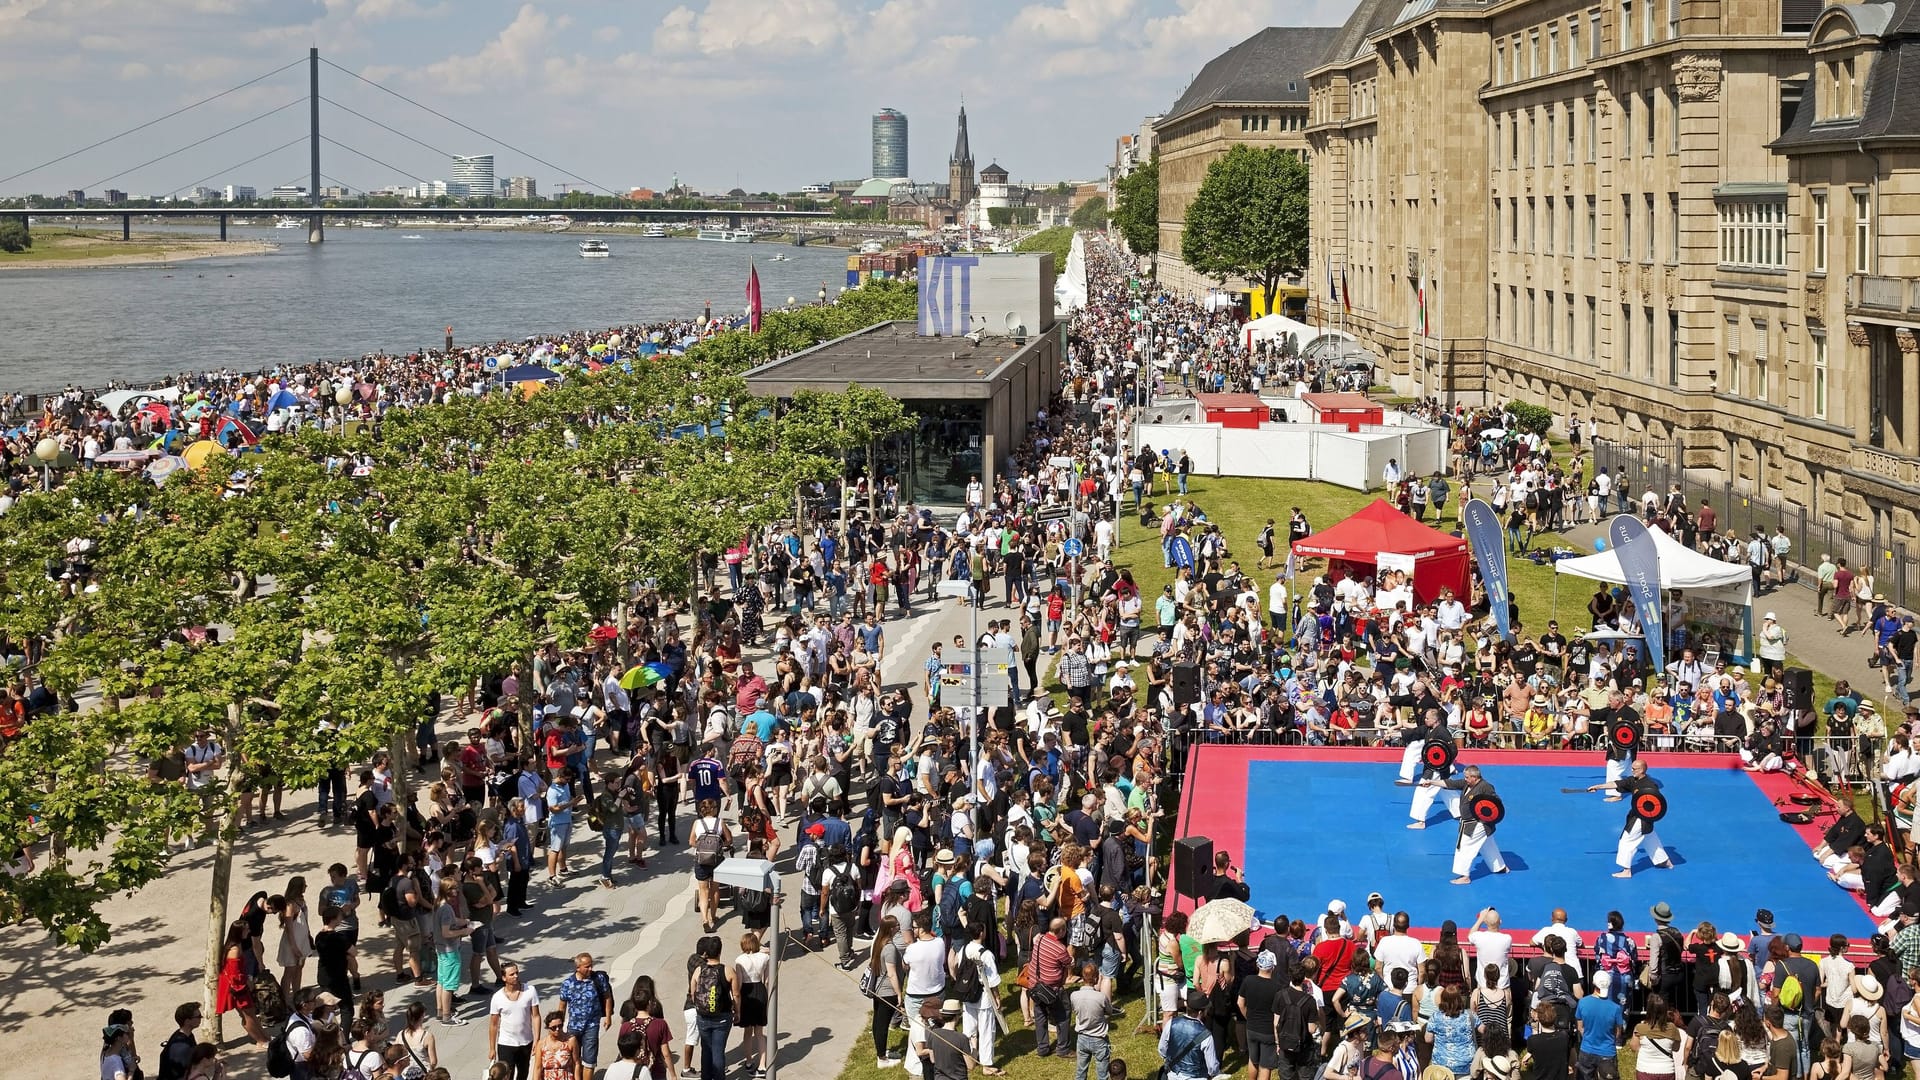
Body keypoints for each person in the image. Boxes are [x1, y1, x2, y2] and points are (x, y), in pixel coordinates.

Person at [1586, 759, 1672, 878]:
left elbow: (1656, 804)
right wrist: (1598, 786)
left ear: (1642, 770)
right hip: (1640, 816)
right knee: (1650, 838)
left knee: (1626, 841)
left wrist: (1646, 817)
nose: (1631, 771)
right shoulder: (1633, 780)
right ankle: (1665, 862)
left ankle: (1626, 871)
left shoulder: (1650, 785)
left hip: (1642, 817)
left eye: (1634, 769)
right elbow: (1616, 784)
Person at [1443, 765, 1508, 884]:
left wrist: (1486, 817)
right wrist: (1431, 782)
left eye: (1467, 777)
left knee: (1465, 847)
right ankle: (1500, 867)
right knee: (1487, 845)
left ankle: (1465, 876)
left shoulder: (1485, 787)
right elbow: (1450, 784)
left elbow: (1495, 803)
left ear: (1474, 777)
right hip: (1471, 822)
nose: (1465, 779)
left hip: (1477, 823)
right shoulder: (1467, 784)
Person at [689, 935, 737, 1080]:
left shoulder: (699, 970)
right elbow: (736, 994)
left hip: (702, 1016)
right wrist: (737, 1011)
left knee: (706, 1050)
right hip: (722, 1017)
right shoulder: (728, 971)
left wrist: (699, 1006)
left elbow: (693, 993)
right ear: (719, 952)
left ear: (706, 953)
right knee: (718, 1051)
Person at [557, 953, 614, 1072]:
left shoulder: (599, 979)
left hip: (592, 1026)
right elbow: (562, 1007)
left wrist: (608, 1017)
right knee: (573, 1060)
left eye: (591, 965)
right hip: (574, 1027)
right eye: (587, 967)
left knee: (590, 1062)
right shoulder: (568, 984)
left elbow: (607, 997)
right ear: (578, 967)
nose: (590, 969)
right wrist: (559, 1026)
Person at [489, 962, 542, 1080]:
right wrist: (492, 1048)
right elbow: (493, 1024)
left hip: (526, 1042)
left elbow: (536, 1016)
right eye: (512, 974)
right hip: (506, 1043)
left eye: (517, 972)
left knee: (523, 1073)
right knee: (507, 1075)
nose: (516, 976)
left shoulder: (530, 990)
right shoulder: (497, 998)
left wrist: (537, 1039)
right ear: (504, 978)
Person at [869, 915, 908, 1068]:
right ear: (891, 928)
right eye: (897, 925)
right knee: (882, 1026)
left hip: (878, 989)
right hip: (887, 992)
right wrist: (899, 994)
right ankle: (882, 1059)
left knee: (877, 1022)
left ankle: (881, 1051)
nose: (899, 927)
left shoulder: (879, 942)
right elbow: (891, 974)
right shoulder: (890, 947)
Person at [1158, 990, 1221, 1080]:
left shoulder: (1171, 1023)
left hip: (1172, 1075)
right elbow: (1212, 1067)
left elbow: (1162, 1049)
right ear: (1200, 1012)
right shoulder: (1206, 1036)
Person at [1574, 971, 1626, 1079]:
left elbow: (1580, 1027)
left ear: (1594, 983)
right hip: (1607, 1051)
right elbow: (1618, 1032)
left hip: (1587, 1049)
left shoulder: (1583, 1003)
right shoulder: (1615, 1008)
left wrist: (1588, 1037)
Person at [735, 933, 773, 1080]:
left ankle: (749, 1061)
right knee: (760, 1032)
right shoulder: (765, 958)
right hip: (760, 990)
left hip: (746, 992)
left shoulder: (740, 960)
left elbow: (738, 983)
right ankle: (763, 1065)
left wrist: (735, 1001)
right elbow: (768, 980)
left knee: (747, 1032)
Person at [1072, 961, 1114, 1080]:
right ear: (1095, 978)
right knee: (1102, 1074)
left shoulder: (1074, 995)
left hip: (1082, 1038)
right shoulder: (1101, 997)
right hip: (1099, 1039)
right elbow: (1109, 1011)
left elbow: (1075, 1009)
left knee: (1080, 1072)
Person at [157, 1002, 201, 1080]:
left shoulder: (188, 1035)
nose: (201, 1018)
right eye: (198, 1016)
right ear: (187, 1021)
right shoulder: (182, 1047)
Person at [533, 1011, 581, 1080]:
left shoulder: (571, 1041)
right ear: (548, 1028)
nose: (557, 1029)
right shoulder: (541, 1044)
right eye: (554, 1027)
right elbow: (537, 1068)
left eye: (560, 1026)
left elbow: (576, 1064)